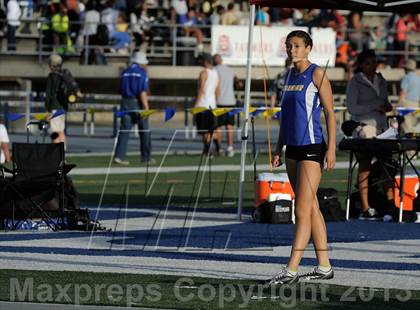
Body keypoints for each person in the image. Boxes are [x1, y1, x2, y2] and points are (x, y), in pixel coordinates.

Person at [270, 30, 336, 285]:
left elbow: (330, 113)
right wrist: (278, 148)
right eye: (289, 45)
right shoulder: (288, 76)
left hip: (312, 148)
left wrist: (330, 150)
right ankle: (324, 266)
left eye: (297, 45)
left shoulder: (317, 73)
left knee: (302, 208)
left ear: (308, 48)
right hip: (292, 149)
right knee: (312, 207)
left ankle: (291, 269)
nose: (292, 49)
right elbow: (285, 118)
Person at [345, 49, 394, 220]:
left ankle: (390, 205)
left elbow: (385, 102)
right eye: (368, 63)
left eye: (374, 62)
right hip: (363, 129)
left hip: (382, 129)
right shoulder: (355, 82)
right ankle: (365, 207)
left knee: (388, 166)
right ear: (361, 64)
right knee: (364, 167)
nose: (372, 66)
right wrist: (373, 106)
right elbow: (351, 107)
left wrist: (387, 106)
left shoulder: (381, 80)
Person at [114, 51, 153, 165]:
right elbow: (142, 91)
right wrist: (146, 107)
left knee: (124, 130)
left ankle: (119, 156)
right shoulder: (142, 73)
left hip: (125, 102)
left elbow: (120, 89)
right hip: (137, 102)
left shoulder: (124, 72)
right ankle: (146, 157)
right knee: (144, 130)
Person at [45, 54, 79, 145]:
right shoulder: (65, 73)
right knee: (61, 131)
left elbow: (49, 94)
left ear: (51, 65)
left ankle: (57, 153)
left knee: (54, 131)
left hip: (54, 107)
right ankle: (63, 151)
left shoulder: (52, 76)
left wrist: (47, 109)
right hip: (63, 107)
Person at [213, 53, 239, 157]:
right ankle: (230, 147)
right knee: (229, 126)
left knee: (218, 126)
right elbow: (237, 82)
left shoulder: (215, 70)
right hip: (231, 101)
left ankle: (218, 147)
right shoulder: (230, 70)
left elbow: (216, 86)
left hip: (220, 101)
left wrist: (214, 100)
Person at [195, 53, 220, 156]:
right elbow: (217, 90)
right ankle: (216, 147)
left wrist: (196, 104)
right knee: (211, 129)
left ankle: (207, 149)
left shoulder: (203, 73)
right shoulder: (215, 73)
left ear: (205, 61)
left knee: (204, 130)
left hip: (203, 104)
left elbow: (201, 89)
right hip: (212, 104)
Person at [399, 59, 419, 134]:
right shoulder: (418, 78)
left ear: (406, 69)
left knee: (407, 124)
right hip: (416, 103)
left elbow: (403, 92)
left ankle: (407, 143)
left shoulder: (406, 77)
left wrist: (399, 104)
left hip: (407, 103)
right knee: (414, 124)